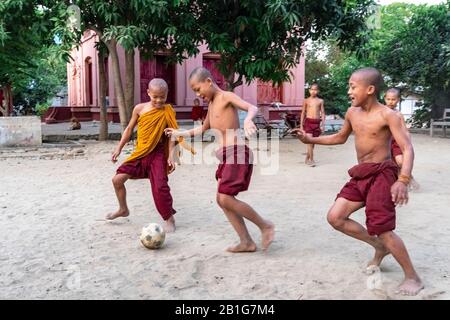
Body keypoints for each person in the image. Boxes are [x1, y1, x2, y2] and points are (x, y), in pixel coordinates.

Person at [294, 68, 424, 296]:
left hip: (382, 174)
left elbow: (407, 148)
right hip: (361, 173)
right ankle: (379, 247)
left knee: (383, 228)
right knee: (335, 217)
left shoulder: (388, 115)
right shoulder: (352, 113)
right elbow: (340, 137)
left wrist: (402, 179)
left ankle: (412, 276)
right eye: (350, 86)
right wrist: (310, 138)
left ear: (370, 89)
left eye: (353, 86)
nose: (349, 91)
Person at [165, 67, 275, 252]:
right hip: (225, 156)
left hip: (237, 152)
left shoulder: (226, 96)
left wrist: (248, 120)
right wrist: (179, 133)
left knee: (225, 197)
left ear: (208, 81)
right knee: (221, 199)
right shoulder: (211, 105)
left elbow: (252, 107)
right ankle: (246, 242)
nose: (198, 94)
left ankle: (265, 225)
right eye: (195, 92)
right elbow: (202, 129)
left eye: (198, 89)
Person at [107, 78, 193, 233]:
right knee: (117, 179)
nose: (159, 101)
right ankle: (123, 209)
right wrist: (119, 148)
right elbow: (129, 129)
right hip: (140, 153)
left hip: (157, 154)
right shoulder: (139, 109)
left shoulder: (168, 111)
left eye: (162, 97)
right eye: (155, 97)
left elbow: (171, 135)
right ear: (148, 93)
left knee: (160, 186)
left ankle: (169, 219)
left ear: (167, 94)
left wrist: (171, 156)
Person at [384, 88, 420, 190]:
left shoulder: (398, 114)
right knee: (388, 163)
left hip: (397, 140)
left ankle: (408, 176)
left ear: (398, 100)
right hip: (384, 141)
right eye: (388, 99)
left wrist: (408, 139)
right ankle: (392, 181)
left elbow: (404, 129)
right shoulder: (382, 112)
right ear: (385, 99)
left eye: (393, 99)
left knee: (400, 161)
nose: (391, 101)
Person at [300, 83, 325, 166]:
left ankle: (307, 158)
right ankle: (312, 160)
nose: (313, 91)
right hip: (308, 122)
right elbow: (303, 113)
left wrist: (323, 124)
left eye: (315, 90)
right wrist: (301, 125)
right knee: (309, 142)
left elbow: (323, 113)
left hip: (317, 122)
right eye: (312, 89)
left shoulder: (320, 101)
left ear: (318, 91)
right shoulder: (306, 100)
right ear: (309, 90)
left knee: (313, 143)